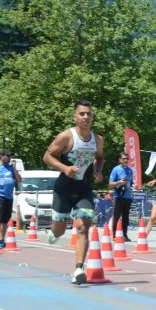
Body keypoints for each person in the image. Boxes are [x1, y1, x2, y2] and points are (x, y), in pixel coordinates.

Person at [43, 100, 105, 285]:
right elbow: (47, 156)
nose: (86, 117)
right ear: (75, 117)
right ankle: (54, 232)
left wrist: (98, 171)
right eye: (82, 114)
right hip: (64, 189)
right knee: (59, 230)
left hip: (84, 189)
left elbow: (100, 157)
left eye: (89, 114)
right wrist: (64, 168)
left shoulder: (98, 139)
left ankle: (79, 268)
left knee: (83, 227)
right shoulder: (66, 137)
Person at [0, 149, 22, 249]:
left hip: (9, 197)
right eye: (7, 156)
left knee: (5, 221)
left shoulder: (11, 168)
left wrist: (14, 168)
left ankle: (1, 240)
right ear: (1, 156)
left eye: (10, 156)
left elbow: (19, 180)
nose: (9, 158)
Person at [109, 152, 134, 242]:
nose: (126, 160)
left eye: (127, 159)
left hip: (128, 197)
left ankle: (125, 235)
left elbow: (130, 183)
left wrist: (134, 186)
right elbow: (110, 184)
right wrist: (119, 182)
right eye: (124, 158)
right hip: (118, 196)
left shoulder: (130, 170)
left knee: (126, 217)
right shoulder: (115, 169)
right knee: (116, 216)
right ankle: (114, 234)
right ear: (120, 160)